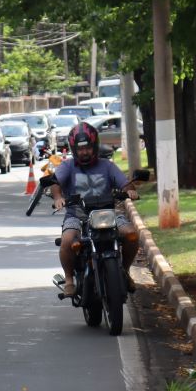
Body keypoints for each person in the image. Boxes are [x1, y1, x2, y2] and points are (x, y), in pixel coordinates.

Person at [50, 121, 139, 297]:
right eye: (80, 149)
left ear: (95, 146)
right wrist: (59, 197)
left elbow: (124, 183)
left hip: (108, 214)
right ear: (74, 149)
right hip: (77, 215)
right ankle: (69, 280)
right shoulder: (68, 166)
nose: (84, 152)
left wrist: (130, 191)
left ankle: (125, 272)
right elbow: (55, 182)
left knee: (131, 234)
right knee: (67, 240)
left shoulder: (107, 165)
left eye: (88, 148)